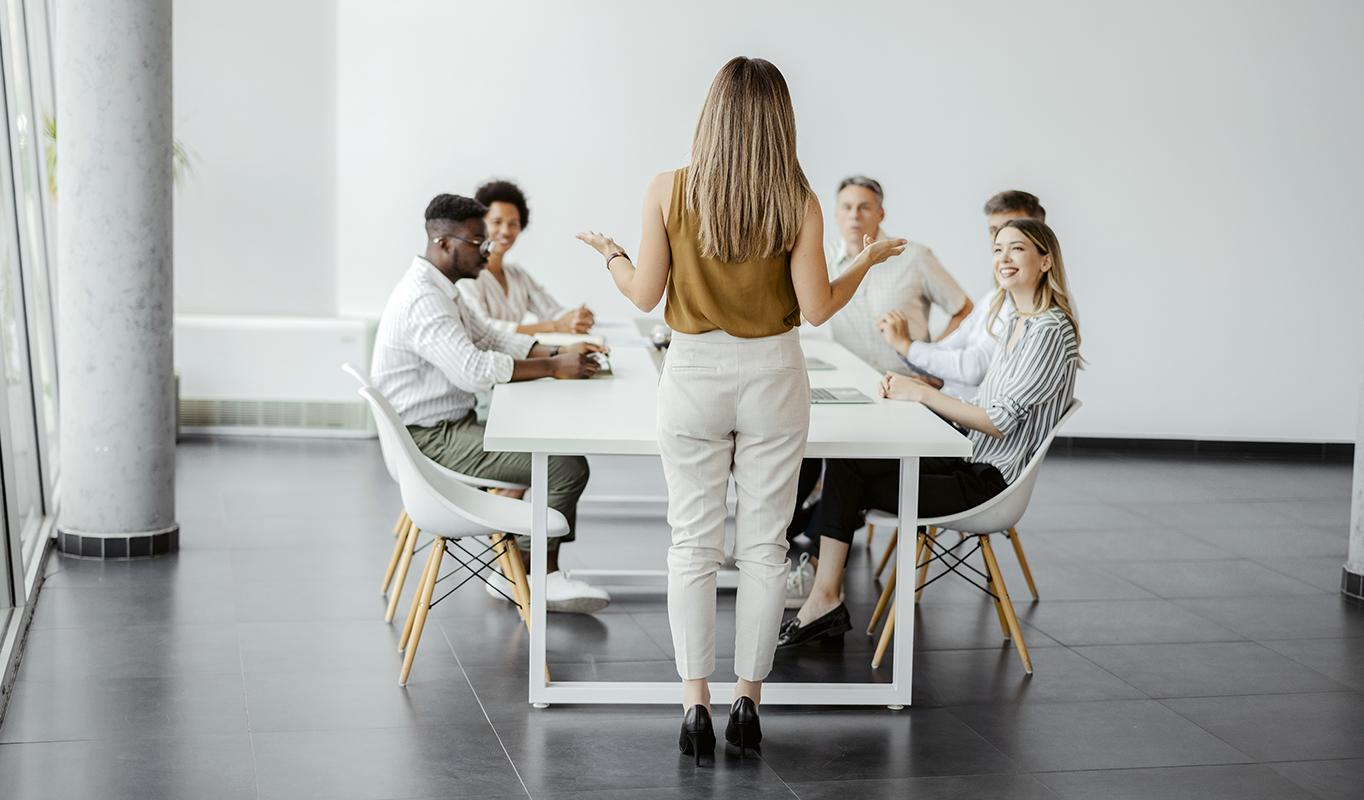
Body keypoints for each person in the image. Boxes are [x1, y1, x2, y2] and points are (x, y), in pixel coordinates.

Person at [575, 57, 905, 762]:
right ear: (780, 119)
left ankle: (695, 704)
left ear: (712, 112)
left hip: (692, 372)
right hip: (774, 374)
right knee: (764, 547)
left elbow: (642, 295)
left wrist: (613, 257)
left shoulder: (667, 188)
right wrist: (864, 263)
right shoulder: (800, 201)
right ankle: (747, 699)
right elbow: (816, 310)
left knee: (691, 544)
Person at [778, 218, 1081, 648]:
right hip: (970, 454)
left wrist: (920, 395)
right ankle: (825, 597)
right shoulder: (1019, 321)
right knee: (849, 460)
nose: (1004, 259)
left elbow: (998, 421)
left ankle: (822, 595)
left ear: (1046, 260)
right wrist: (923, 387)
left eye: (1017, 249)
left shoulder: (1050, 331)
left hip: (988, 481)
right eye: (998, 250)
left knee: (851, 475)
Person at [370, 193, 613, 613]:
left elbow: (489, 337)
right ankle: (527, 575)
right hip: (430, 440)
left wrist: (554, 353)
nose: (488, 251)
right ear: (445, 244)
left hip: (445, 427)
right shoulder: (424, 300)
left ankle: (524, 570)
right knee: (564, 465)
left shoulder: (442, 288)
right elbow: (473, 370)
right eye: (478, 243)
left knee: (548, 448)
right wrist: (555, 367)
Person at [875, 190, 1046, 399]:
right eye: (994, 230)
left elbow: (975, 369)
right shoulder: (996, 296)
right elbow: (952, 346)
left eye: (1013, 228)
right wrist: (925, 370)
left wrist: (906, 346)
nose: (1001, 238)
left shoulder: (1038, 310)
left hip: (970, 420)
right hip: (956, 403)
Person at [826, 175, 972, 375]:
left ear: (881, 214)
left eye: (864, 207)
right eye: (846, 207)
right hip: (851, 386)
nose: (854, 215)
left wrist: (931, 358)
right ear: (835, 213)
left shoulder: (915, 257)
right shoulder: (822, 261)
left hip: (909, 387)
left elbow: (964, 311)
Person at [457, 180, 595, 336]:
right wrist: (554, 326)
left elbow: (551, 310)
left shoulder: (517, 274)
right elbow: (483, 328)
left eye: (513, 224)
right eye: (497, 222)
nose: (505, 231)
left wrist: (577, 317)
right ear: (480, 224)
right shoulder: (467, 276)